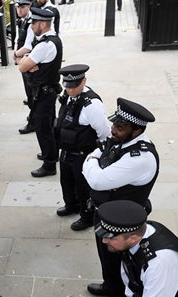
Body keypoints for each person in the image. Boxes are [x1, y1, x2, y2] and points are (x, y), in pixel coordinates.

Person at [82, 98, 160, 297]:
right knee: (107, 261)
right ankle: (108, 285)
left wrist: (90, 161)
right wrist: (95, 159)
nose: (113, 130)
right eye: (115, 124)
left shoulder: (139, 157)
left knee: (120, 273)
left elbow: (97, 180)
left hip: (122, 228)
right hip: (106, 215)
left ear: (137, 131)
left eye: (120, 127)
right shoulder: (121, 141)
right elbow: (101, 150)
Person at [55, 64, 110, 231]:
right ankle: (71, 204)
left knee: (83, 187)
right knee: (66, 181)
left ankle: (87, 216)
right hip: (66, 150)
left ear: (84, 81)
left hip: (82, 153)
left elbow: (104, 131)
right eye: (67, 85)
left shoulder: (91, 104)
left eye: (74, 86)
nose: (70, 90)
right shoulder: (68, 95)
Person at [18, 7, 62, 178]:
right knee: (49, 124)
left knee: (43, 128)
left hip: (43, 93)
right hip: (47, 91)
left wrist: (25, 60)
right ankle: (51, 153)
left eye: (34, 23)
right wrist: (29, 61)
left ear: (42, 24)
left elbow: (21, 66)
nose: (31, 26)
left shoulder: (44, 45)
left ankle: (49, 163)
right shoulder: (53, 39)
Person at [12, 0, 33, 113]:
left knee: (31, 89)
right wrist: (16, 55)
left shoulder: (31, 23)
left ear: (29, 7)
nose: (19, 10)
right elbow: (17, 39)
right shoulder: (20, 21)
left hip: (28, 59)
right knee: (27, 86)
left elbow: (28, 46)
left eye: (22, 7)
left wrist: (16, 54)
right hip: (21, 58)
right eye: (18, 7)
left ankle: (33, 118)